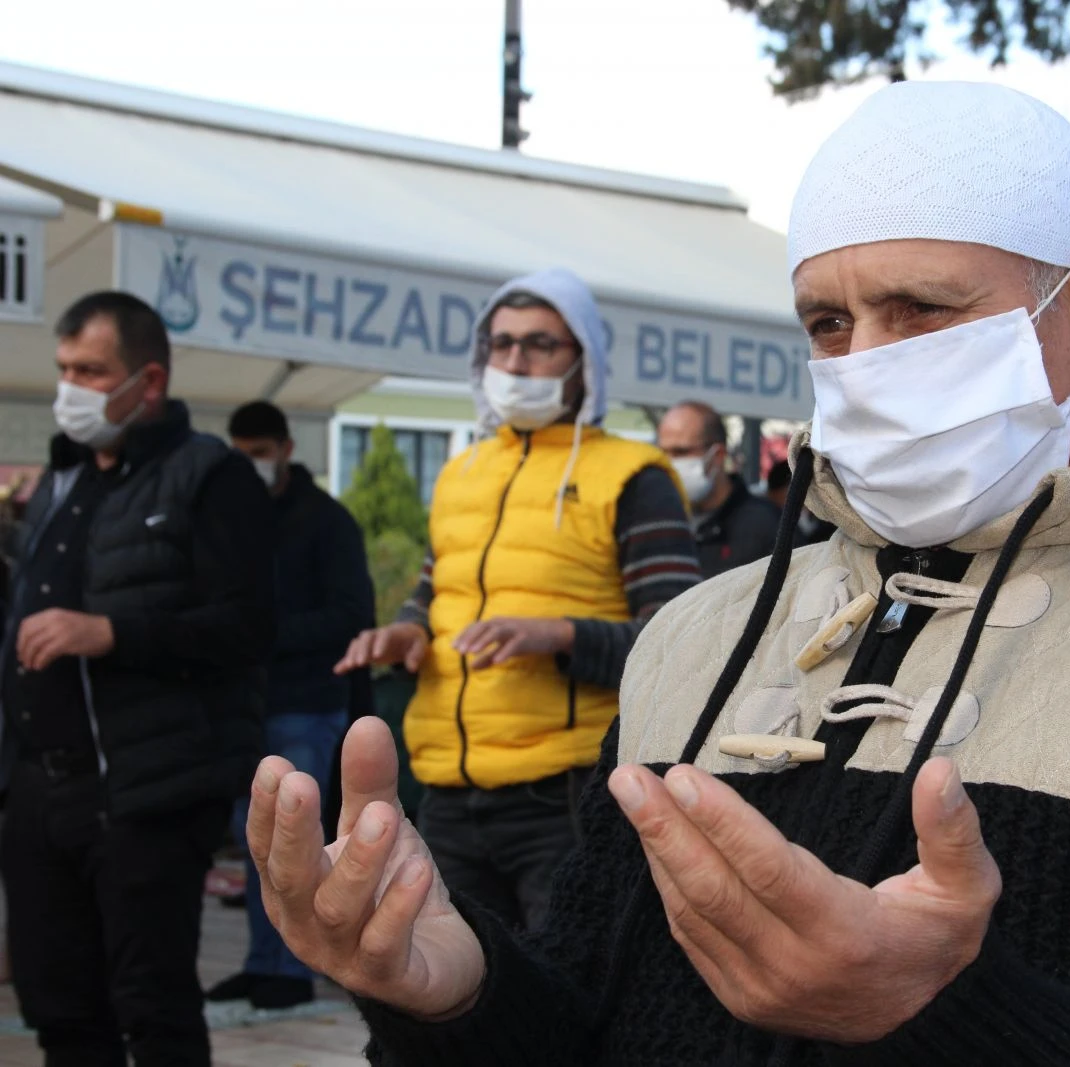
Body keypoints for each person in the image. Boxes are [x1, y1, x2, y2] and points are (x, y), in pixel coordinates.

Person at [253, 82, 1070, 1064]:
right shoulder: (701, 634)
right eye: (829, 324)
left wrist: (939, 1012)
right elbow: (590, 1011)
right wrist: (451, 993)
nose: (865, 364)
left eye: (921, 310)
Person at [332, 269, 701, 933]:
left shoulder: (633, 475)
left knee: (560, 995)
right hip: (446, 789)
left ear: (583, 359)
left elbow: (681, 642)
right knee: (454, 991)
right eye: (500, 345)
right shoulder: (461, 472)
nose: (514, 362)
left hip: (562, 792)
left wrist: (558, 635)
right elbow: (432, 591)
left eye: (539, 344)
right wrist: (406, 634)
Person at [0, 291, 271, 1066]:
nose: (69, 388)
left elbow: (246, 627)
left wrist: (111, 632)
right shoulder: (58, 484)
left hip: (143, 793)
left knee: (151, 1005)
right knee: (57, 1005)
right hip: (40, 792)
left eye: (90, 370)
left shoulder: (210, 478)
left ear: (147, 382)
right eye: (63, 369)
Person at [203, 401, 374, 1010]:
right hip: (246, 708)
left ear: (285, 448)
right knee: (256, 843)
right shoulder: (233, 521)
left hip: (306, 702)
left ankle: (292, 968)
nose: (251, 463)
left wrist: (262, 634)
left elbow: (351, 614)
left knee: (295, 843)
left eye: (260, 450)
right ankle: (264, 961)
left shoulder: (325, 521)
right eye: (240, 449)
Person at [657, 402, 781, 577]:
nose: (668, 463)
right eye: (663, 453)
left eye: (680, 452)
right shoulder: (659, 522)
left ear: (718, 455)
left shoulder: (768, 526)